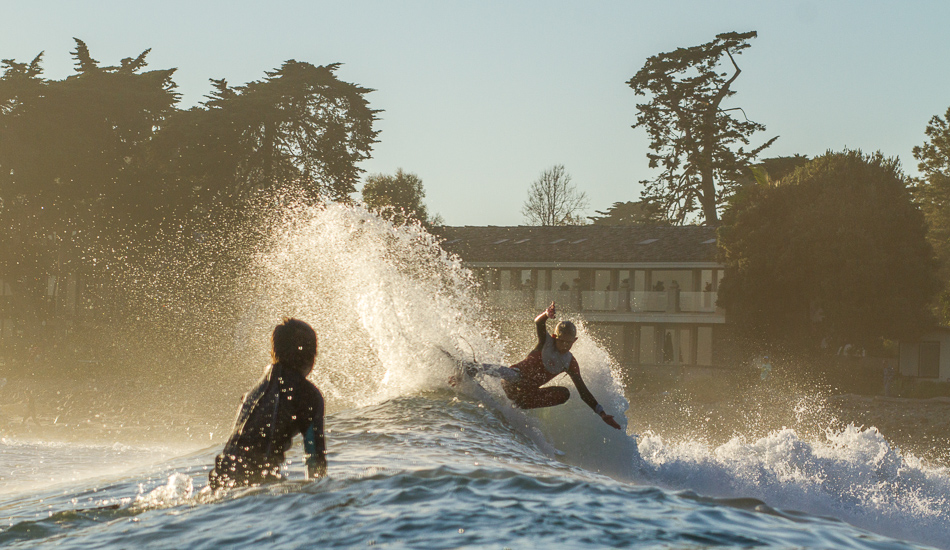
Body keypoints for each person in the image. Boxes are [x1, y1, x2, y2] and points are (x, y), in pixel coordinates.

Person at [209, 318, 327, 490]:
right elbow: (315, 460)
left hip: (221, 477)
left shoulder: (258, 387)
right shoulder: (308, 395)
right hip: (256, 482)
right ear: (312, 355)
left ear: (275, 351)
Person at [502, 302, 621, 430]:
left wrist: (602, 413)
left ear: (574, 341)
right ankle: (480, 369)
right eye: (561, 341)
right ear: (554, 337)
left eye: (568, 343)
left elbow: (583, 392)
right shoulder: (545, 343)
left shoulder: (570, 363)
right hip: (512, 380)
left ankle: (516, 407)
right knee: (518, 378)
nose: (564, 345)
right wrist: (546, 315)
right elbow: (539, 323)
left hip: (526, 391)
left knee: (564, 394)